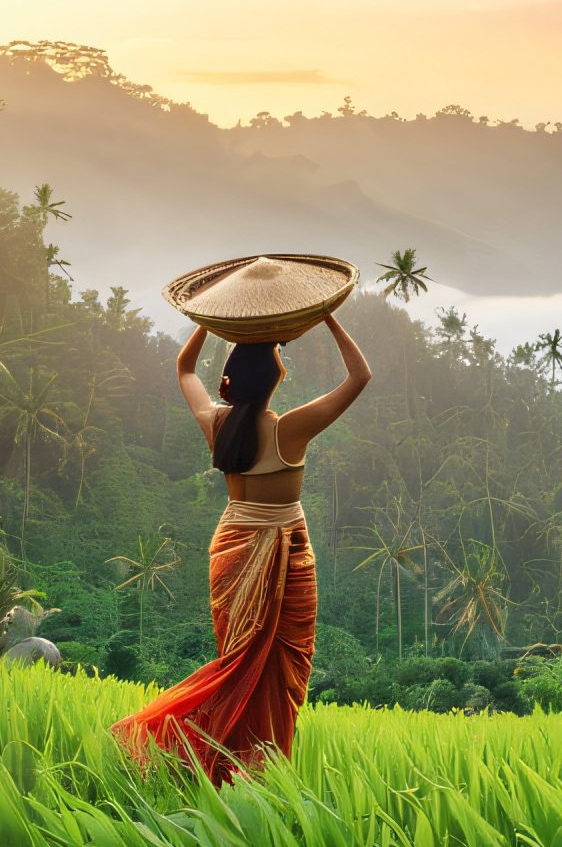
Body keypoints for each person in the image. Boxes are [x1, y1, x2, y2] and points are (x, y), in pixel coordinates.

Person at [112, 312, 371, 781]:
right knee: (277, 664)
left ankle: (215, 760)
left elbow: (186, 369)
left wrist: (207, 322)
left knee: (239, 661)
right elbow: (359, 376)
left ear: (232, 380)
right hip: (283, 549)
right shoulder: (288, 429)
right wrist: (329, 316)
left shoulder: (216, 421)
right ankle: (249, 767)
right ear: (277, 377)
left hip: (232, 545)